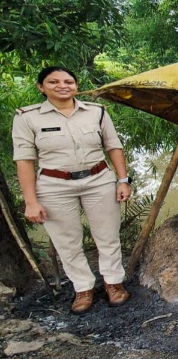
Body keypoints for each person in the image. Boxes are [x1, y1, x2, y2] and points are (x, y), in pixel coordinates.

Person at [12, 66, 133, 314]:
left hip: (98, 179)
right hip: (54, 185)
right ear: (41, 87)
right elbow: (24, 161)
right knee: (67, 241)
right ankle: (83, 288)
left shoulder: (96, 112)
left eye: (68, 81)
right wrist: (31, 202)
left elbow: (114, 146)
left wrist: (123, 180)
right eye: (53, 82)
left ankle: (113, 282)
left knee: (108, 235)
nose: (62, 86)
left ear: (76, 86)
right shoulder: (27, 117)